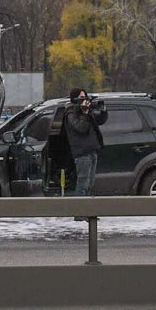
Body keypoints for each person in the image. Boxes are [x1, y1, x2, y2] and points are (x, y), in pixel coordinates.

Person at [63, 87, 107, 220]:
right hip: (81, 152)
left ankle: (87, 211)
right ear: (75, 99)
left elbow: (98, 121)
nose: (84, 101)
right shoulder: (70, 113)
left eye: (85, 98)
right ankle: (79, 213)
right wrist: (84, 112)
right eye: (82, 98)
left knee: (90, 183)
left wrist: (103, 110)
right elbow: (81, 128)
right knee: (82, 183)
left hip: (91, 149)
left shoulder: (84, 112)